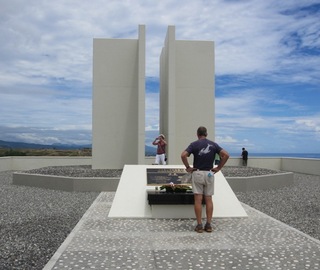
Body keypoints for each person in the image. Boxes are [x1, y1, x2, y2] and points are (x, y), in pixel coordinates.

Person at [181, 126, 229, 233]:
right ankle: (208, 225)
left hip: (197, 172)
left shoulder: (194, 144)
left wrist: (188, 167)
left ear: (197, 134)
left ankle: (199, 225)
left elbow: (183, 155)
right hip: (209, 173)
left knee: (198, 199)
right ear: (206, 134)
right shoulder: (213, 144)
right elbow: (226, 155)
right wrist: (218, 168)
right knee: (209, 199)